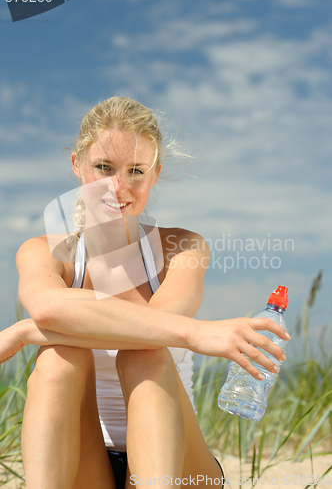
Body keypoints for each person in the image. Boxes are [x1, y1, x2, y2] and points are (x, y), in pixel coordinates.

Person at [0, 96, 290, 489]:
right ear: (76, 165)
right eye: (103, 167)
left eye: (136, 171)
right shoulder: (45, 251)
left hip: (180, 468)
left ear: (154, 176)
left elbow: (156, 328)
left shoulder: (182, 249)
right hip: (84, 464)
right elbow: (48, 305)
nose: (118, 187)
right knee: (58, 360)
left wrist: (25, 331)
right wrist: (197, 333)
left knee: (147, 353)